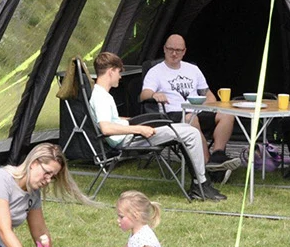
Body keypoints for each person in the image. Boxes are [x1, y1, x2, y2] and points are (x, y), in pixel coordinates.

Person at [91, 51, 227, 201]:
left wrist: (131, 120)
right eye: (118, 72)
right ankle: (201, 184)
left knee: (188, 130)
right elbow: (106, 128)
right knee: (191, 133)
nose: (120, 76)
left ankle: (200, 183)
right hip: (130, 140)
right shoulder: (101, 97)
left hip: (131, 135)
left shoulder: (101, 94)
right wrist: (139, 128)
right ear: (110, 72)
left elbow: (112, 121)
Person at [140, 33, 241, 182]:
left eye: (178, 50)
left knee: (227, 114)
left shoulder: (193, 69)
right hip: (174, 114)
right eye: (170, 49)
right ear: (164, 49)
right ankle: (207, 163)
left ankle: (218, 155)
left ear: (184, 51)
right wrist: (154, 94)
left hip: (198, 111)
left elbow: (208, 94)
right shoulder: (155, 71)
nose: (174, 53)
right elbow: (144, 94)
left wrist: (210, 105)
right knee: (190, 119)